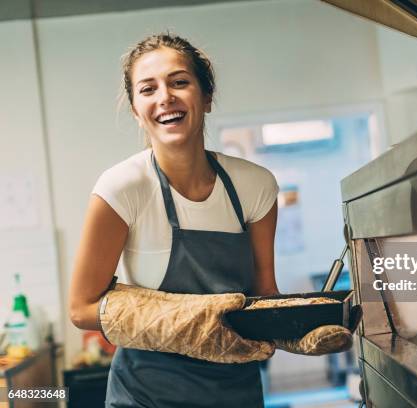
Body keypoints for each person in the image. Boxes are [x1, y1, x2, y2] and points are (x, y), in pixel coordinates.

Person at [68, 33, 355, 408]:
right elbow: (81, 309)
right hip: (145, 395)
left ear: (206, 97)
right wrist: (188, 322)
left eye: (179, 82)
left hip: (235, 392)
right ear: (137, 111)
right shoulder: (122, 188)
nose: (165, 97)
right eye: (148, 89)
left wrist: (295, 331)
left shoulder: (254, 185)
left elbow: (263, 294)